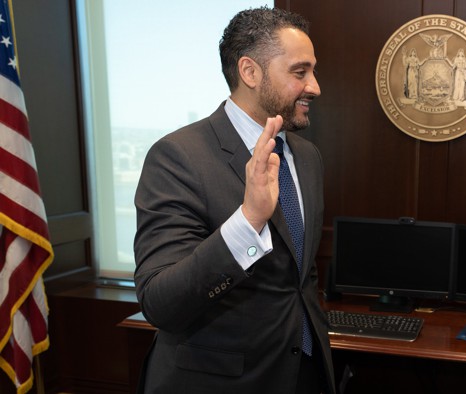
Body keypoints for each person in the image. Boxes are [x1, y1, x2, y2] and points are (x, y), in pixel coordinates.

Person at [133, 7, 335, 393]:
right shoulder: (178, 156)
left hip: (305, 372)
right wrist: (248, 221)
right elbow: (160, 303)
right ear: (250, 72)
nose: (315, 86)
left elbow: (300, 280)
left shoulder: (307, 157)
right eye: (300, 72)